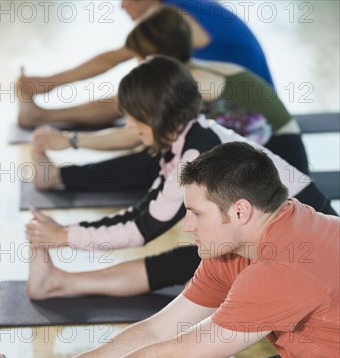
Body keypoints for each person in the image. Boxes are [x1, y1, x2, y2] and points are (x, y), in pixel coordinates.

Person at [0, 142, 340, 358]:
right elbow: (159, 330)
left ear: (240, 211)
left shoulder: (287, 263)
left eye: (196, 213)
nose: (187, 226)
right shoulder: (234, 247)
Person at [25, 56, 336, 300]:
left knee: (195, 261)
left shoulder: (195, 154)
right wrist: (66, 233)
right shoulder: (193, 136)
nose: (128, 124)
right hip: (309, 242)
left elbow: (141, 227)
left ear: (154, 115)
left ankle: (58, 283)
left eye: (132, 115)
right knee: (197, 257)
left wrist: (65, 236)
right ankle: (58, 282)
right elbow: (146, 212)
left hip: (313, 256)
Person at [32, 4, 309, 198]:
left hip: (280, 168)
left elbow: (134, 137)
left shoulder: (186, 84)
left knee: (160, 157)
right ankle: (62, 176)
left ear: (156, 58)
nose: (139, 67)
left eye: (140, 59)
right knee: (169, 149)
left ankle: (58, 178)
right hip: (273, 154)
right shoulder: (198, 67)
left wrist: (70, 141)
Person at [17, 0, 274, 128]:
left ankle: (41, 116)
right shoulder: (174, 9)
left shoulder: (169, 18)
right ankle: (42, 115)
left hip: (247, 110)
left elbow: (112, 59)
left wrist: (49, 83)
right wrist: (49, 83)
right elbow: (117, 57)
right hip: (236, 95)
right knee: (144, 89)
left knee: (141, 94)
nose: (120, 6)